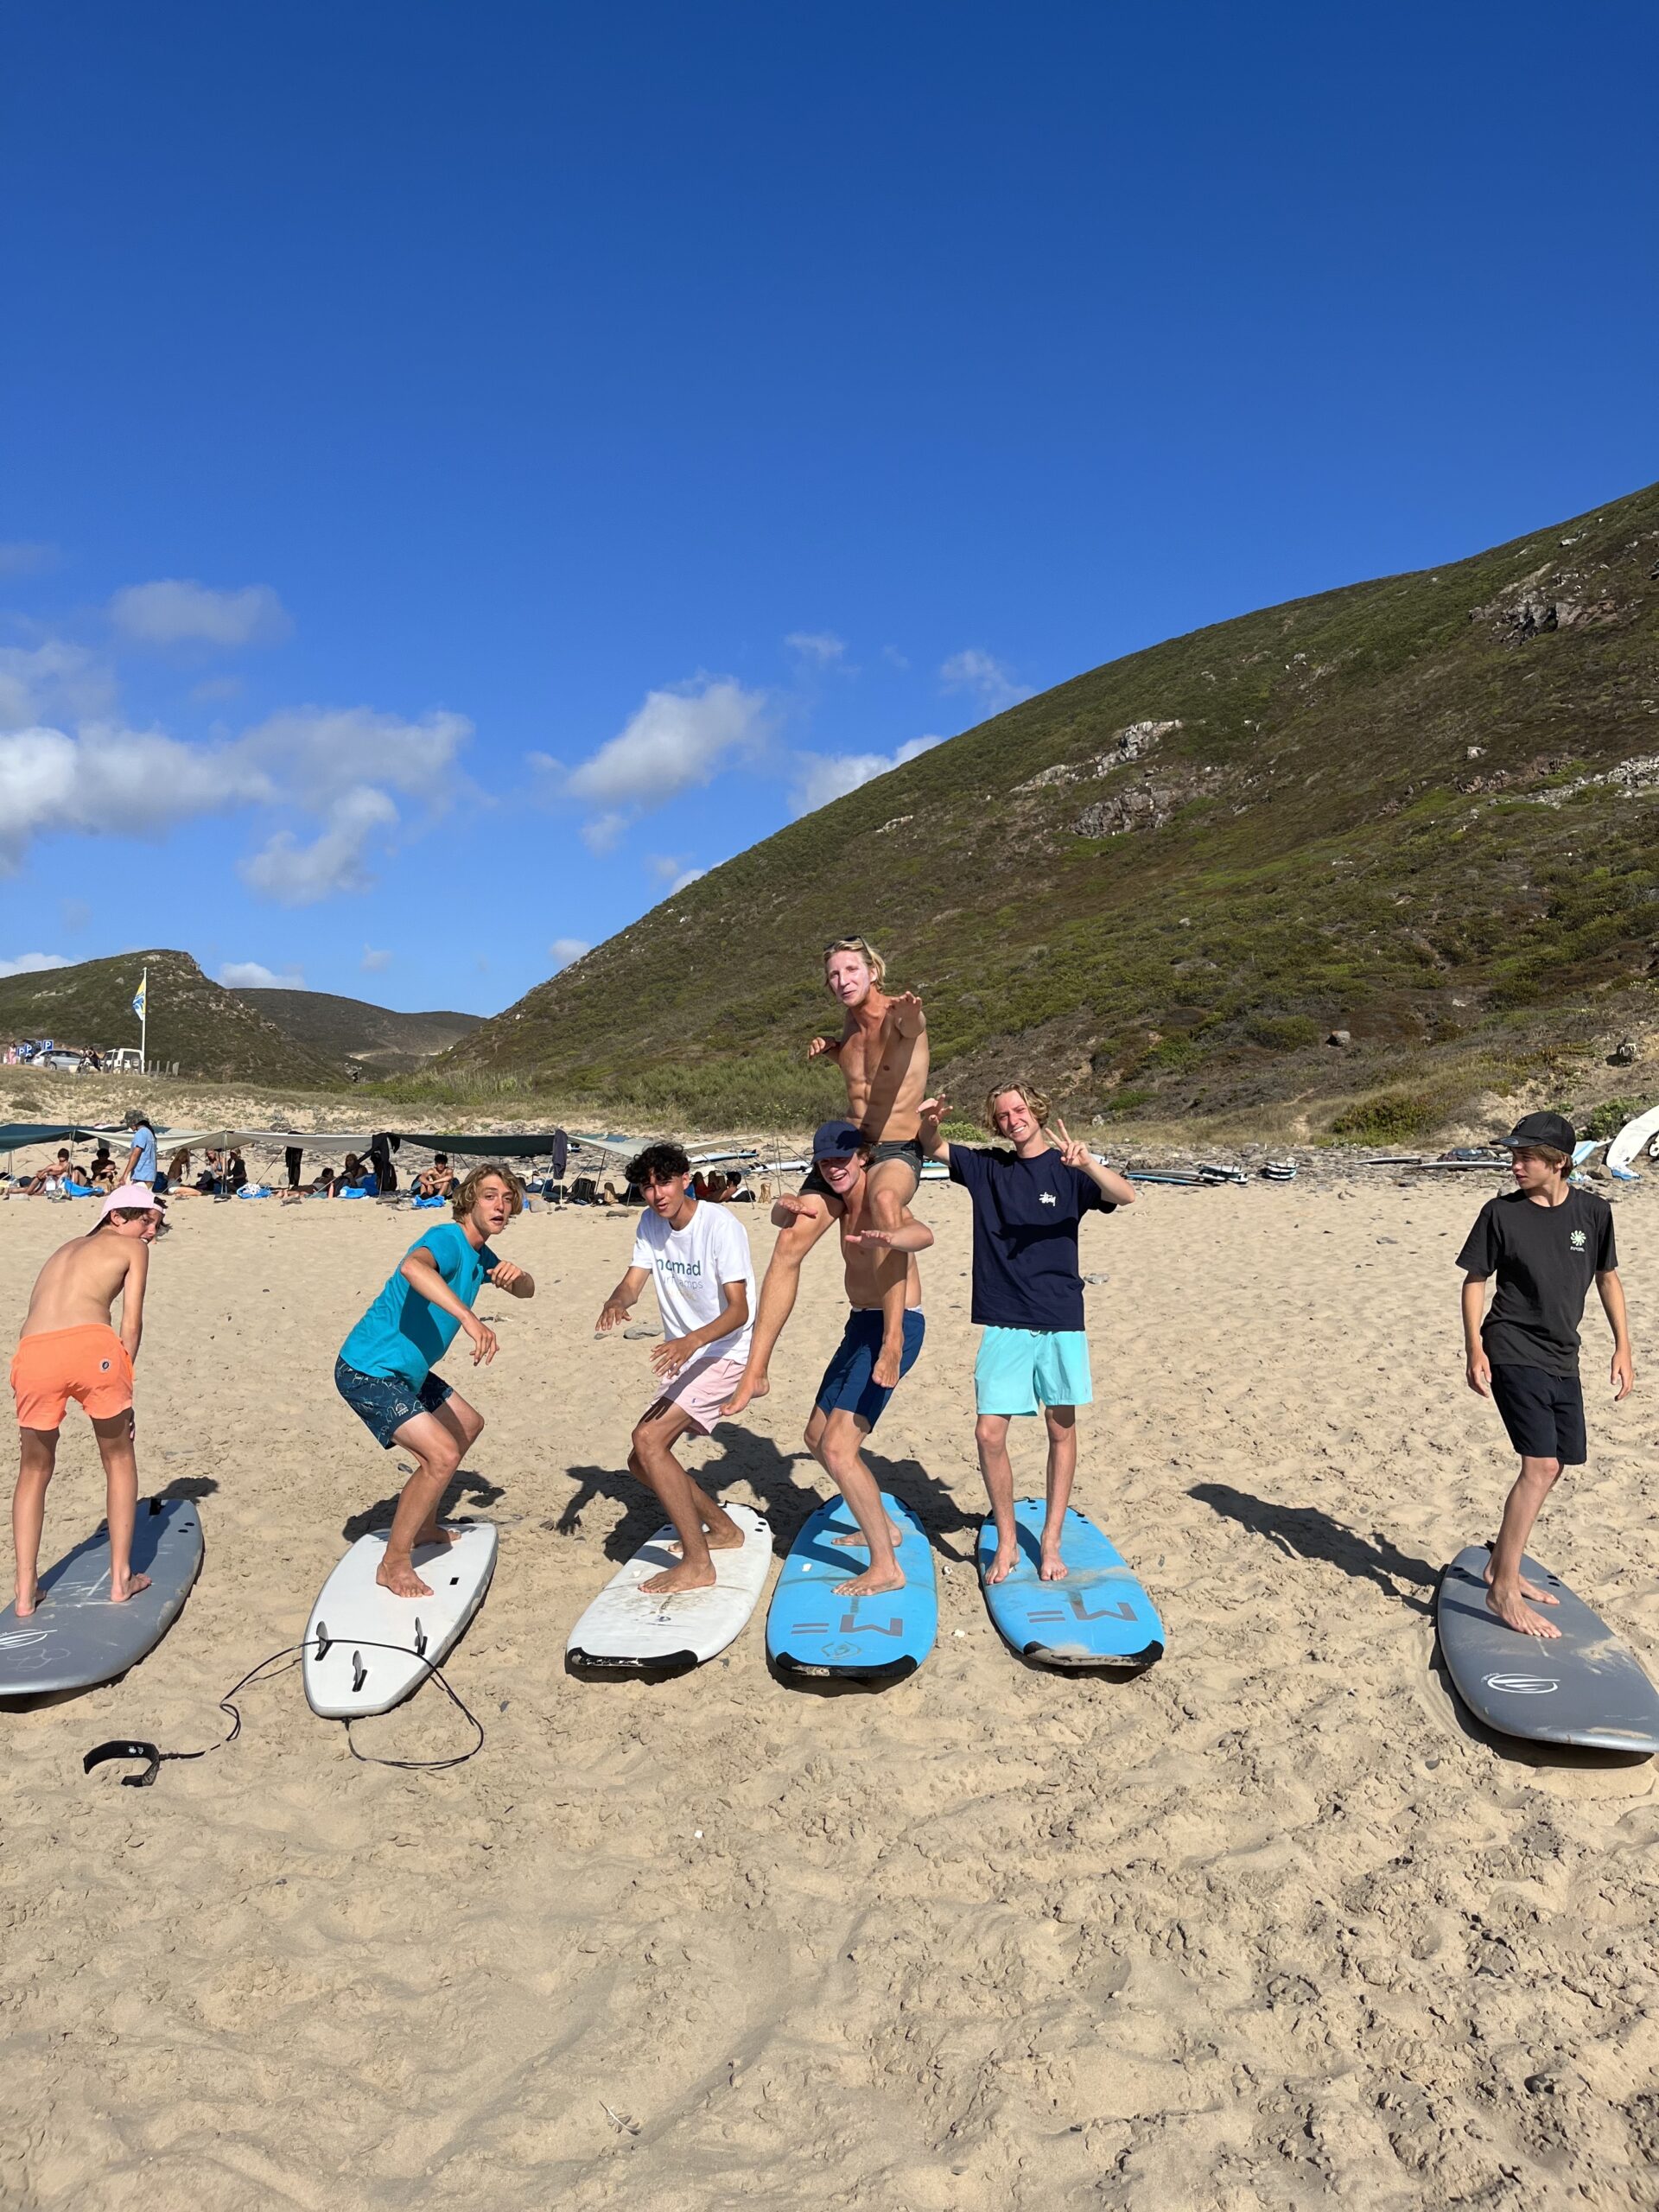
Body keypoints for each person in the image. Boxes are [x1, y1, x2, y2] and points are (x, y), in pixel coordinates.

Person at [919, 1082, 1135, 1584]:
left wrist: (1087, 1164)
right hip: (1004, 1318)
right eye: (1002, 1115)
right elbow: (933, 1146)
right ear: (995, 1124)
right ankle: (1009, 1540)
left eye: (1019, 1110)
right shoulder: (988, 1168)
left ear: (1036, 1111)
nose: (1012, 1119)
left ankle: (1052, 1540)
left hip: (1059, 1317)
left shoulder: (1069, 1169)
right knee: (988, 1432)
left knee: (1060, 1430)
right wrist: (927, 1120)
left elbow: (1126, 1195)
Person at [722, 935, 928, 1416]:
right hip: (853, 1146)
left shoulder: (900, 1014)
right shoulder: (849, 1027)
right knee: (790, 1236)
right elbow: (867, 1073)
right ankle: (756, 1370)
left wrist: (913, 1014)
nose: (842, 981)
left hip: (896, 1148)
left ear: (873, 971)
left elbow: (910, 1029)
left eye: (851, 970)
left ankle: (893, 1339)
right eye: (834, 974)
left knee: (885, 1207)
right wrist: (833, 1049)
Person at [1458, 1111, 1632, 1638]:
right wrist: (1474, 1347)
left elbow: (1607, 1278)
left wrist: (1623, 1346)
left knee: (1558, 1465)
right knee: (1539, 1465)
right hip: (1511, 1345)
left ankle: (1501, 1566)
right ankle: (1502, 1590)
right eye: (1513, 1156)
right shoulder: (1500, 1214)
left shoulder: (1594, 1212)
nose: (1515, 1166)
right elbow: (1474, 1281)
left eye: (1526, 1157)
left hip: (1563, 1354)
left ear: (1558, 1163)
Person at [335, 1163, 534, 1598]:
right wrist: (469, 1318)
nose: (500, 1206)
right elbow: (413, 1267)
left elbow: (527, 1291)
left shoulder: (480, 1255)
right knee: (442, 1455)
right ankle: (394, 1563)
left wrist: (518, 1278)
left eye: (507, 1198)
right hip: (367, 1369)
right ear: (469, 1200)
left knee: (467, 1424)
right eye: (490, 1196)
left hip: (407, 1372)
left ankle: (424, 1527)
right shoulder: (447, 1238)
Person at [595, 1141, 755, 1596]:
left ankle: (698, 1563)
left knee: (648, 1440)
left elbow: (739, 1310)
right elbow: (633, 1282)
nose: (657, 1195)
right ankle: (722, 1529)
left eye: (664, 1183)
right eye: (647, 1187)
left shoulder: (720, 1225)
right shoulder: (651, 1222)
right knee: (641, 1459)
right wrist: (616, 1300)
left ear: (686, 1179)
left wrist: (691, 1341)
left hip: (725, 1350)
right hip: (689, 1354)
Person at [10, 1183, 162, 1616]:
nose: (151, 1231)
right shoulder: (131, 1248)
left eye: (156, 1225)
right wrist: (126, 1381)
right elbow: (131, 1324)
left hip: (33, 1353)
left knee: (33, 1469)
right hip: (91, 1347)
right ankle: (120, 1580)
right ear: (116, 1216)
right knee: (118, 1456)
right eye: (146, 1220)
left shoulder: (63, 1250)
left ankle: (25, 1592)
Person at [798, 1120, 932, 1596]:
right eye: (825, 1162)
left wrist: (892, 1238)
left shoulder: (879, 1198)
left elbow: (923, 1234)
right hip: (858, 1325)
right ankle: (885, 1529)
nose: (834, 1168)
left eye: (842, 1158)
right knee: (816, 1438)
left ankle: (886, 1568)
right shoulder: (841, 1204)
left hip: (895, 1327)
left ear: (863, 1157)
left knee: (839, 1447)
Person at [122, 1113, 158, 1192]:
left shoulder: (141, 1133)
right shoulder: (149, 1133)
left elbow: (135, 1154)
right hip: (149, 1174)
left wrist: (125, 1174)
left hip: (141, 1174)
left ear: (133, 1123)